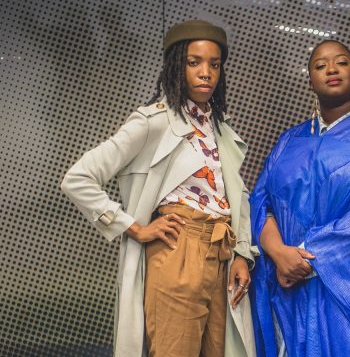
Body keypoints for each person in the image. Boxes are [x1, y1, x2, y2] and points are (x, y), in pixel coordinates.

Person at [61, 20, 256, 356]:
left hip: (221, 255)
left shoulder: (220, 128)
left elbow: (235, 196)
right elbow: (78, 178)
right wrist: (132, 226)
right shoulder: (154, 121)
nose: (206, 72)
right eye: (194, 62)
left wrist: (240, 254)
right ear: (176, 66)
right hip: (178, 248)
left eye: (214, 64)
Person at [248, 39, 350, 357]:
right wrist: (278, 253)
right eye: (320, 65)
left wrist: (305, 257)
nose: (331, 69)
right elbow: (260, 201)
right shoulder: (289, 141)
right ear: (310, 79)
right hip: (292, 291)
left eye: (341, 61)